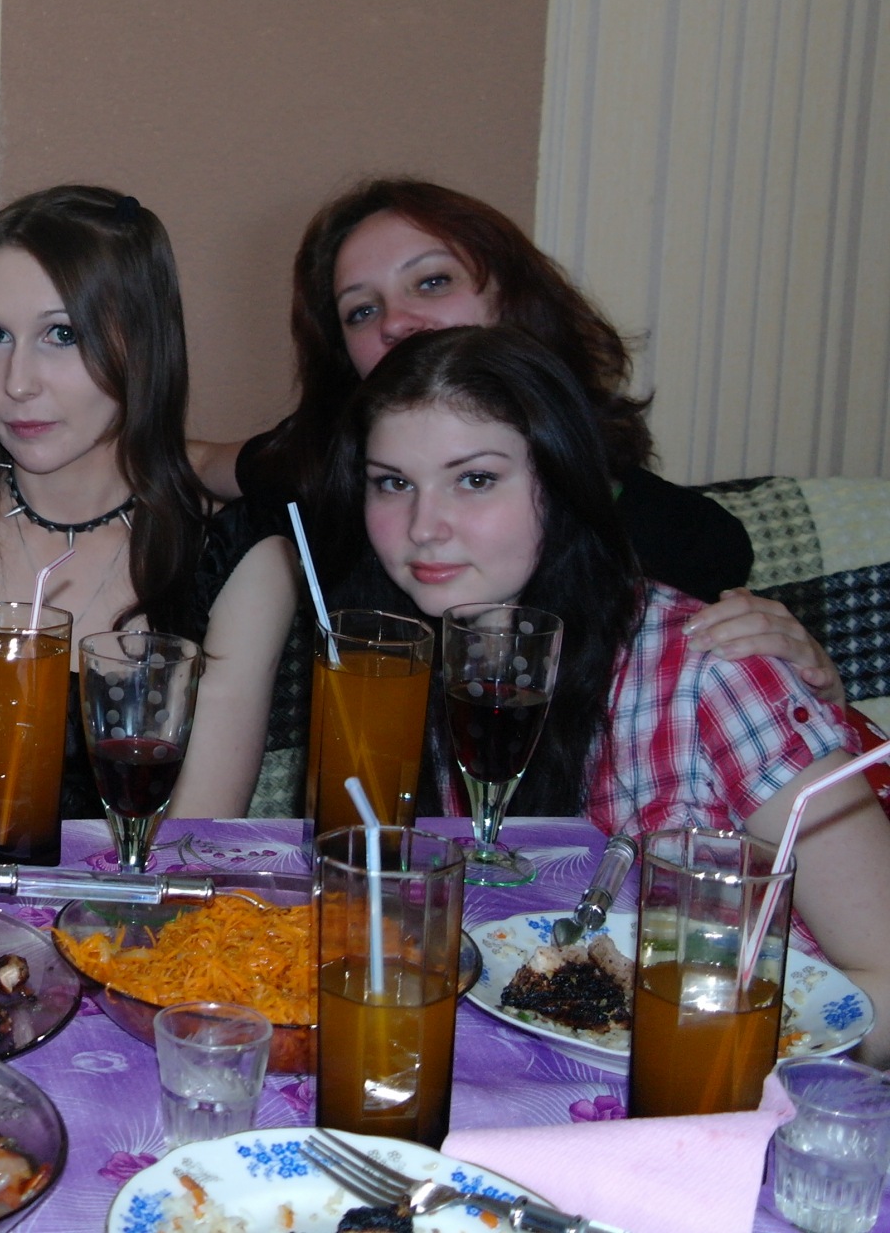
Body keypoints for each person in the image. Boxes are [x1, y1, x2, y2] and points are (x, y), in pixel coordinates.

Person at [332, 324, 890, 1061]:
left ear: (561, 483)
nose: (423, 528)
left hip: (742, 1086)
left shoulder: (712, 668)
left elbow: (882, 973)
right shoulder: (385, 674)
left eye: (475, 479)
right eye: (393, 483)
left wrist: (723, 1058)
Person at [199, 178, 836, 696]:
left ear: (514, 299)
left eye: (432, 281)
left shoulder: (680, 540)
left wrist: (814, 686)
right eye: (361, 310)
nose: (395, 322)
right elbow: (196, 462)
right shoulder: (323, 474)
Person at [0, 189, 297, 818]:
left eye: (62, 334)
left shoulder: (236, 560)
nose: (17, 382)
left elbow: (195, 837)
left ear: (143, 342)